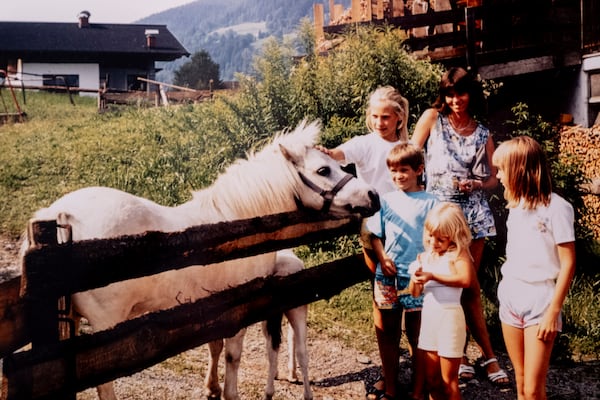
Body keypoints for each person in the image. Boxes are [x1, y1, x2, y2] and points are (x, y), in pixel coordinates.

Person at [411, 66, 509, 386]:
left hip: (473, 216)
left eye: (461, 93)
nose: (455, 100)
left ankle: (485, 356)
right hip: (439, 216)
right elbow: (411, 155)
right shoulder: (431, 119)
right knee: (450, 286)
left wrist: (476, 184)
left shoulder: (482, 133)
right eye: (450, 94)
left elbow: (494, 178)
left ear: (472, 94)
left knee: (468, 286)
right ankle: (462, 354)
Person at [492, 136, 576, 400]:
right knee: (520, 381)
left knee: (533, 389)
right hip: (511, 296)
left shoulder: (557, 208)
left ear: (519, 169)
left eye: (501, 169)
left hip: (541, 302)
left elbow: (568, 262)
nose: (498, 176)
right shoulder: (515, 207)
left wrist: (554, 311)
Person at [365, 143, 439, 400]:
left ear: (419, 170)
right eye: (393, 171)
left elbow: (440, 237)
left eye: (404, 170)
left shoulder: (433, 202)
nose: (398, 176)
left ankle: (419, 391)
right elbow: (375, 235)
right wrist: (383, 257)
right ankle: (392, 387)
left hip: (418, 276)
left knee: (418, 334)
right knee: (388, 331)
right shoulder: (387, 200)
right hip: (389, 274)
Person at [408, 202, 475, 400]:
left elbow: (465, 280)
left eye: (440, 239)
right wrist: (416, 279)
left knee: (449, 381)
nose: (433, 242)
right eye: (430, 236)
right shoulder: (424, 257)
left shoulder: (458, 254)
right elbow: (415, 293)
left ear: (453, 236)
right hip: (430, 319)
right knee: (432, 380)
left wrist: (432, 276)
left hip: (450, 318)